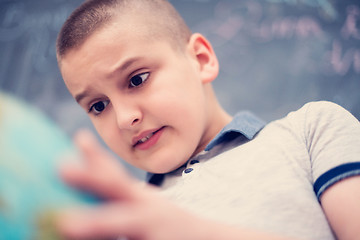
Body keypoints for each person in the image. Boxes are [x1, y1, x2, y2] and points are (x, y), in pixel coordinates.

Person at [55, 0, 360, 239]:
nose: (124, 119)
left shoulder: (311, 131)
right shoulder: (122, 223)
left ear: (201, 59)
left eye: (137, 79)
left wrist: (190, 231)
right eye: (98, 106)